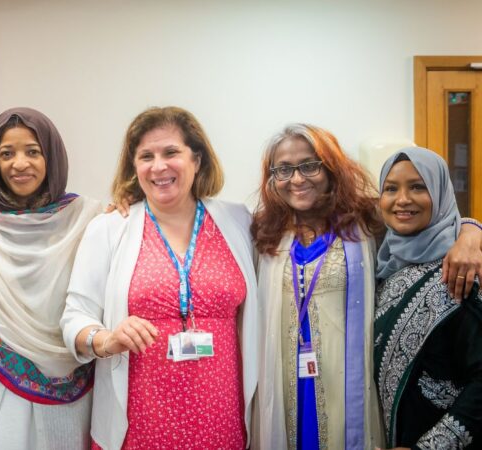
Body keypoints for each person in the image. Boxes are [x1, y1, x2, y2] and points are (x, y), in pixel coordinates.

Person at [250, 124, 482, 449]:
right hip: (285, 381)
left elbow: (431, 216)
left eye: (309, 165)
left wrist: (472, 233)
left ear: (331, 169)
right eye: (283, 169)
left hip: (348, 388)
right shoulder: (262, 230)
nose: (297, 178)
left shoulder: (366, 222)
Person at [61, 106, 258, 449]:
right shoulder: (110, 228)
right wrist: (107, 339)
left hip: (221, 420)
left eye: (171, 152)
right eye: (146, 156)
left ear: (197, 159)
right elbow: (74, 318)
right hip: (139, 423)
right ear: (134, 167)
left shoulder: (239, 221)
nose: (158, 166)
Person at [0, 107, 102, 450]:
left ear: (52, 156)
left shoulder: (86, 218)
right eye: (6, 154)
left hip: (65, 366)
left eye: (33, 151)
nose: (20, 164)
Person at [374, 147, 482, 449]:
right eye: (391, 188)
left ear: (440, 193)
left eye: (418, 187)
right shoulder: (383, 265)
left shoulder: (462, 270)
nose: (403, 199)